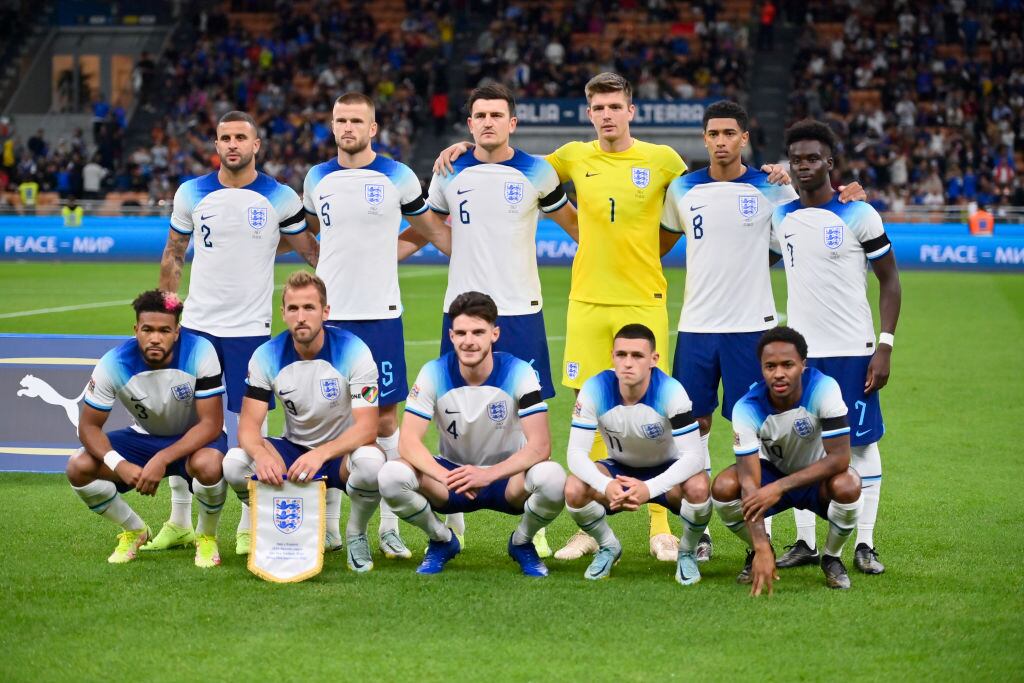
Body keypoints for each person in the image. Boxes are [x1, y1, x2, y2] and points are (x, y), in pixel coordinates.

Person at [435, 75, 792, 563]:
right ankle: (590, 524)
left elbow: (686, 215)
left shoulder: (663, 161)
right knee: (590, 409)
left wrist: (773, 177)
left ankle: (660, 525)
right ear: (589, 113)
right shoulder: (572, 157)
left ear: (631, 110)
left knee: (656, 410)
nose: (606, 114)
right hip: (586, 301)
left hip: (642, 300)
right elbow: (508, 158)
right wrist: (464, 145)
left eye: (614, 106)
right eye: (598, 107)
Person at [660, 101, 864, 560]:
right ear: (704, 138)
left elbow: (805, 227)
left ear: (744, 138)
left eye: (729, 133)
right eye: (713, 133)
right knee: (694, 424)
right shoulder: (683, 189)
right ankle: (702, 526)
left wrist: (852, 194)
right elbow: (664, 240)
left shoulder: (774, 189)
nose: (720, 140)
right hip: (696, 325)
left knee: (761, 427)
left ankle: (769, 535)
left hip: (752, 328)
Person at [407, 84, 579, 553]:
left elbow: (576, 227)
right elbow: (429, 228)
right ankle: (453, 511)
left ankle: (532, 526)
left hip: (520, 308)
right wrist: (385, 254)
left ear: (512, 123)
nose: (488, 122)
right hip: (459, 311)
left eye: (496, 115)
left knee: (529, 420)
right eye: (479, 115)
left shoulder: (537, 172)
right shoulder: (449, 169)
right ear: (469, 124)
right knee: (450, 408)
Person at [154, 110, 319, 553]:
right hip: (198, 327)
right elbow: (174, 252)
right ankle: (179, 520)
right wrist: (167, 312)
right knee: (185, 420)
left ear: (256, 145)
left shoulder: (279, 197)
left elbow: (311, 252)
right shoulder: (192, 192)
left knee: (252, 423)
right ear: (216, 145)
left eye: (240, 137)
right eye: (224, 137)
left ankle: (248, 523)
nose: (232, 144)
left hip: (250, 328)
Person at [302, 92, 449, 559]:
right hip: (330, 317)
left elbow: (429, 228)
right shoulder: (317, 177)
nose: (348, 127)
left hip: (381, 315)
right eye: (340, 120)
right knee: (325, 415)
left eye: (356, 121)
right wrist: (319, 265)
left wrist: (403, 251)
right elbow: (305, 231)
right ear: (332, 126)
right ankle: (326, 524)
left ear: (373, 128)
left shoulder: (398, 176)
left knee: (385, 417)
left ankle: (387, 526)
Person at [770, 120, 901, 574]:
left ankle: (865, 544)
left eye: (813, 159)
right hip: (802, 353)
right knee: (803, 448)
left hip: (852, 349)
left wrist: (884, 346)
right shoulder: (781, 215)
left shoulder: (859, 214)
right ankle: (805, 543)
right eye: (797, 159)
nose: (805, 166)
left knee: (860, 447)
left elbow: (890, 282)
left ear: (830, 163)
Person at [378, 292, 566, 577]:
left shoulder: (520, 372)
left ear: (495, 333)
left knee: (553, 478)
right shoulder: (433, 373)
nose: (469, 340)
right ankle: (442, 539)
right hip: (452, 478)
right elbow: (408, 443)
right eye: (462, 332)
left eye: (478, 332)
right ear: (451, 336)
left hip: (506, 479)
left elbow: (541, 446)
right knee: (391, 475)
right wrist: (445, 477)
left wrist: (488, 475)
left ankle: (522, 542)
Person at [222, 271, 386, 572]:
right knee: (234, 463)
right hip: (294, 449)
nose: (301, 317)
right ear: (283, 313)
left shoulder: (355, 350)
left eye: (309, 308)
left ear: (325, 312)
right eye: (293, 308)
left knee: (373, 465)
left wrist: (321, 454)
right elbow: (247, 427)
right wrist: (261, 455)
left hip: (340, 454)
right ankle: (276, 528)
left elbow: (367, 427)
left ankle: (356, 534)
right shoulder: (266, 356)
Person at [65, 290, 228, 567]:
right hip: (144, 438)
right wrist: (119, 465)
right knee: (78, 466)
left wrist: (162, 459)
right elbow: (89, 427)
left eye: (164, 330)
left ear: (177, 331)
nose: (155, 337)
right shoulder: (113, 363)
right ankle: (135, 530)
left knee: (210, 465)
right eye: (147, 329)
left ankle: (206, 536)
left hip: (193, 440)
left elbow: (211, 424)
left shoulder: (200, 351)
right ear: (136, 330)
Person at [711, 326, 862, 595]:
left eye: (787, 364)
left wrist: (780, 487)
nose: (778, 373)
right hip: (773, 473)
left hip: (818, 477)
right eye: (770, 366)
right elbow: (748, 480)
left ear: (803, 365)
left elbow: (840, 458)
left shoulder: (824, 389)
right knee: (723, 487)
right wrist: (760, 545)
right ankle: (762, 552)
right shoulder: (746, 407)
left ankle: (831, 557)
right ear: (761, 368)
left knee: (849, 485)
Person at [564, 324, 709, 585]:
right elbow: (575, 453)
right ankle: (609, 546)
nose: (627, 363)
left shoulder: (671, 391)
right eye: (621, 355)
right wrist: (605, 485)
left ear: (654, 360)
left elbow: (694, 457)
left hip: (666, 471)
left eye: (637, 356)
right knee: (574, 488)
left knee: (699, 487)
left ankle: (686, 552)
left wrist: (648, 488)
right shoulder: (595, 388)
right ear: (612, 356)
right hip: (618, 469)